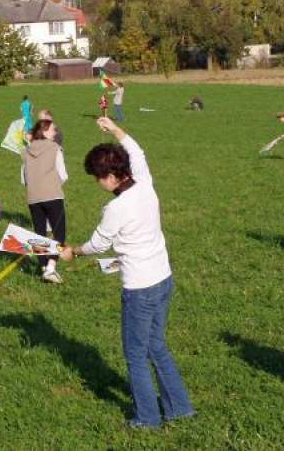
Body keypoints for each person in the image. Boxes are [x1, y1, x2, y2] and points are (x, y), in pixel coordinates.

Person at [60, 117, 195, 428]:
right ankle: (179, 408)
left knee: (135, 355)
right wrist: (114, 129)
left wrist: (73, 251)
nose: (98, 184)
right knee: (156, 346)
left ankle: (147, 418)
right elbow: (137, 151)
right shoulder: (144, 182)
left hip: (139, 289)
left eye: (98, 178)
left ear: (110, 176)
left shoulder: (115, 209)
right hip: (163, 279)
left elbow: (97, 244)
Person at [22, 120, 68, 284]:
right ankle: (51, 267)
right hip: (52, 195)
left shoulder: (26, 150)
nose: (55, 132)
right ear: (45, 131)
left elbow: (24, 178)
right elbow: (63, 175)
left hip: (33, 197)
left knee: (39, 234)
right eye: (53, 130)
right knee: (59, 233)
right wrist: (52, 185)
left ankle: (43, 267)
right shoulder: (55, 148)